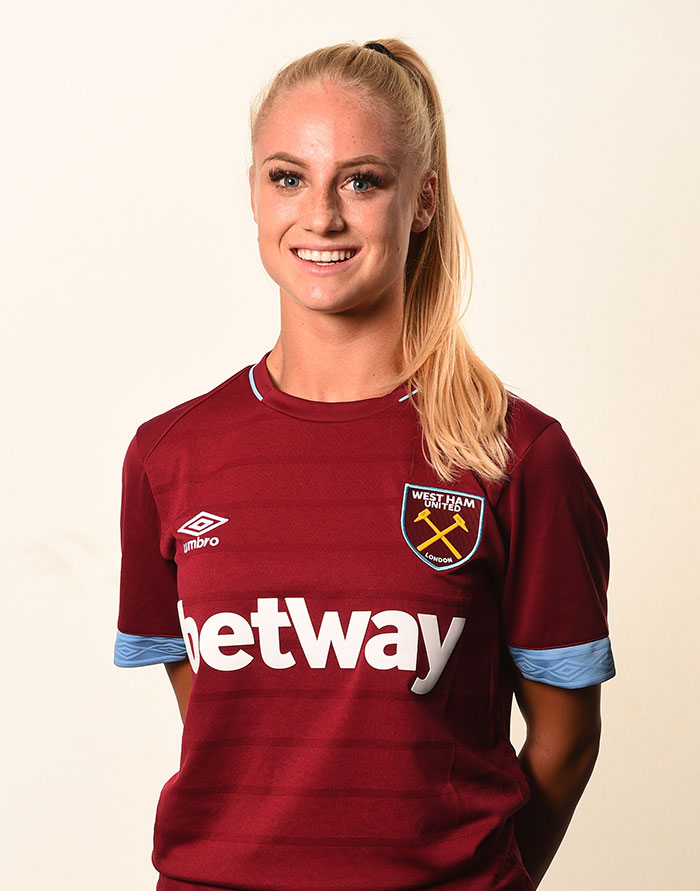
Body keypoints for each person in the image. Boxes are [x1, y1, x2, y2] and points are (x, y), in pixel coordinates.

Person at [114, 38, 616, 891]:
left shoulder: (515, 454)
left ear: (421, 201)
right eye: (287, 177)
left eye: (362, 179)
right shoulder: (170, 455)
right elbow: (223, 725)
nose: (321, 215)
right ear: (252, 193)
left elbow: (567, 742)